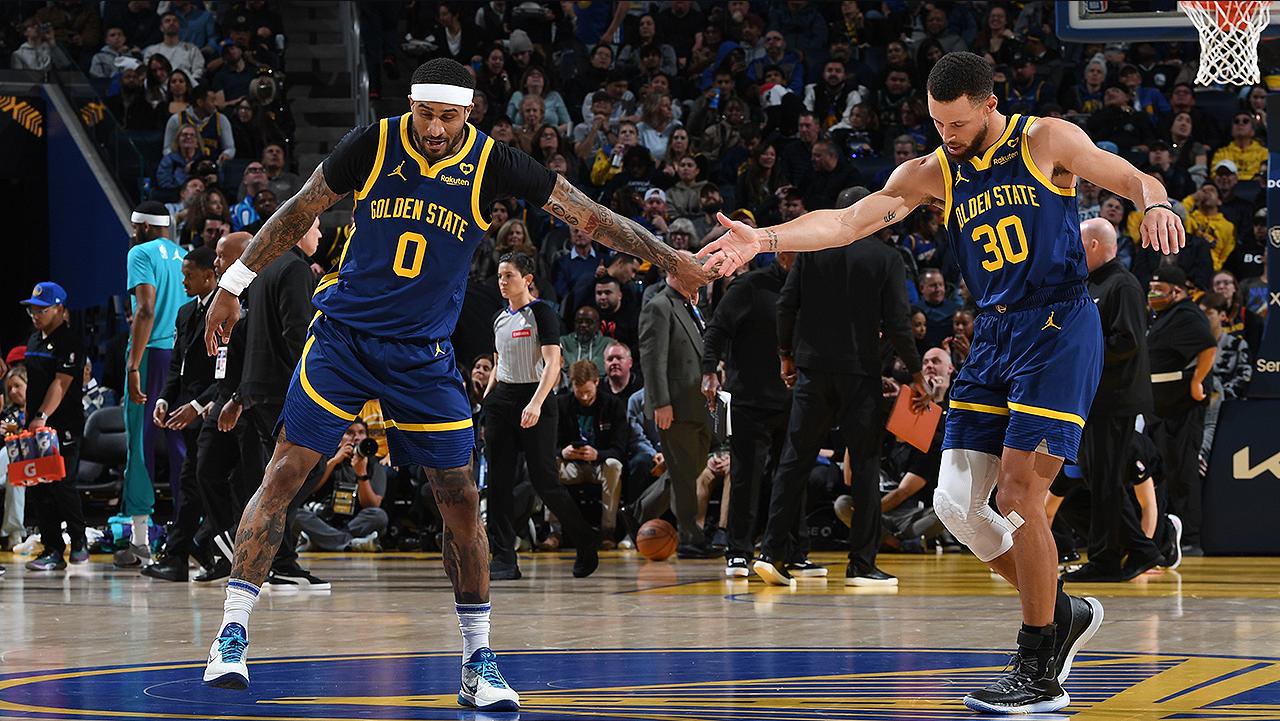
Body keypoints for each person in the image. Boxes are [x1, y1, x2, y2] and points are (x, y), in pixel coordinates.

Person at [200, 58, 713, 707]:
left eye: (449, 117)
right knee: (284, 471)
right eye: (426, 114)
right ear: (410, 105)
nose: (436, 128)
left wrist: (669, 259)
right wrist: (232, 283)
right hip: (344, 338)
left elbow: (589, 215)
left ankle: (477, 660)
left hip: (422, 354)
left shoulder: (494, 163)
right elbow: (299, 207)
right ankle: (232, 632)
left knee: (463, 499)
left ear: (469, 113)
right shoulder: (374, 143)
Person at [700, 52, 1184, 715]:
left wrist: (1156, 202)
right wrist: (763, 239)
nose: (946, 136)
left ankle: (1039, 664)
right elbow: (846, 222)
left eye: (956, 124)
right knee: (956, 504)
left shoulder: (1045, 140)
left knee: (1018, 493)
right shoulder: (931, 172)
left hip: (1058, 328)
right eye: (936, 123)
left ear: (990, 106)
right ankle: (1061, 610)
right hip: (994, 333)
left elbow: (1130, 176)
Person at [484, 252, 599, 582]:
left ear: (527, 280)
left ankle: (585, 540)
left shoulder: (542, 314)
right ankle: (504, 557)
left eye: (509, 276)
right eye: (500, 276)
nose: (502, 282)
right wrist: (487, 400)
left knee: (544, 482)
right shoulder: (498, 318)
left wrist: (535, 403)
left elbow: (553, 365)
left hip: (537, 398)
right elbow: (498, 364)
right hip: (502, 401)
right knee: (499, 483)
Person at [1061, 219, 1164, 582]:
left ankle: (1109, 558)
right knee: (1099, 480)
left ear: (1093, 245)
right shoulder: (1091, 284)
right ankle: (1135, 551)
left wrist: (1079, 352)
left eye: (1078, 243)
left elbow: (1128, 340)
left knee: (1105, 480)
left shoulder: (1123, 284)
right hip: (1095, 399)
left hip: (1116, 399)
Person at [701, 251, 796, 576]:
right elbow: (716, 329)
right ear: (783, 255)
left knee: (793, 479)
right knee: (745, 479)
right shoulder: (749, 286)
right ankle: (738, 552)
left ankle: (794, 552)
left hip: (795, 400)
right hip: (750, 399)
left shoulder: (809, 287)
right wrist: (709, 370)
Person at [143, 247, 221, 582]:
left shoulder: (227, 308)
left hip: (216, 411)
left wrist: (198, 406)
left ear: (209, 276)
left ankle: (196, 548)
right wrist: (164, 398)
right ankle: (184, 554)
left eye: (189, 275)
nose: (184, 281)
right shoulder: (186, 312)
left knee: (207, 485)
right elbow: (178, 365)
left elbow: (227, 372)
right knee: (192, 484)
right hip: (188, 411)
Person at [120, 202, 190, 569]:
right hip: (183, 355)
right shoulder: (185, 256)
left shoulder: (140, 253)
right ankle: (187, 536)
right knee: (182, 445)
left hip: (150, 354)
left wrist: (134, 365)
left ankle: (140, 540)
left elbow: (145, 309)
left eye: (135, 228)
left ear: (145, 227)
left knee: (140, 443)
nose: (133, 234)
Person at [638, 258, 718, 558]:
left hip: (698, 404)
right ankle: (689, 538)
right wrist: (661, 402)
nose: (699, 277)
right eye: (693, 271)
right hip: (674, 406)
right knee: (684, 476)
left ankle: (638, 511)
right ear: (675, 272)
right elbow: (653, 360)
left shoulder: (691, 305)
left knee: (687, 471)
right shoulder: (659, 306)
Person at [1145, 266, 1215, 556]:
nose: (1152, 294)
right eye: (1151, 288)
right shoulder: (1164, 315)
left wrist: (1198, 381)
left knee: (1183, 471)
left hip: (1183, 407)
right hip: (1160, 407)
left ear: (1177, 290)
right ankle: (1168, 535)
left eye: (1158, 289)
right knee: (1164, 471)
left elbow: (1208, 346)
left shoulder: (1187, 314)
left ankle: (1191, 539)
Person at [18, 283, 89, 572]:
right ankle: (52, 549)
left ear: (60, 309)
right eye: (32, 311)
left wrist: (42, 415)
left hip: (63, 424)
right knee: (39, 487)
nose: (36, 315)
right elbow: (32, 385)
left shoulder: (70, 341)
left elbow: (61, 383)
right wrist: (28, 420)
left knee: (63, 483)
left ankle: (79, 541)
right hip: (35, 426)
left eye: (42, 310)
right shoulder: (34, 339)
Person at [557, 359, 627, 545]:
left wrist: (599, 454)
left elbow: (620, 449)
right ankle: (554, 531)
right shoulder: (562, 404)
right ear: (572, 385)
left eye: (588, 391)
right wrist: (563, 452)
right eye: (579, 392)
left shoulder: (613, 405)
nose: (585, 396)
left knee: (614, 464)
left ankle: (608, 530)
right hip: (573, 466)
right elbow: (550, 445)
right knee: (549, 466)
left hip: (600, 466)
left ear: (597, 382)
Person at [294, 420, 385, 553]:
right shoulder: (325, 457)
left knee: (379, 516)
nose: (356, 437)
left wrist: (362, 474)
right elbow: (309, 490)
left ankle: (321, 540)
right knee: (295, 513)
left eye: (361, 433)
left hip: (354, 521)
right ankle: (353, 543)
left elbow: (372, 504)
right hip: (324, 518)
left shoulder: (374, 464)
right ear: (339, 437)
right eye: (350, 433)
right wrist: (334, 461)